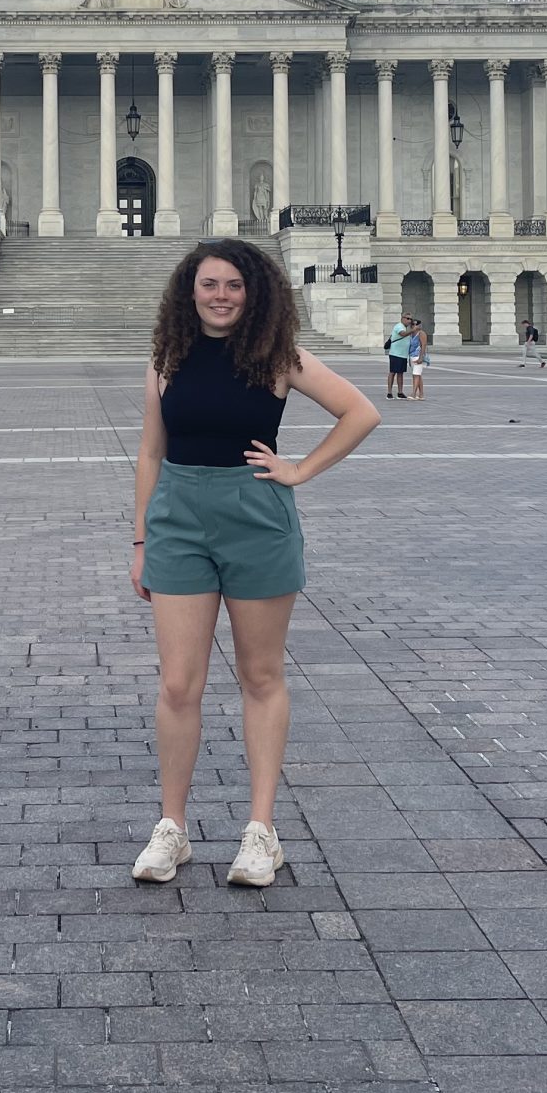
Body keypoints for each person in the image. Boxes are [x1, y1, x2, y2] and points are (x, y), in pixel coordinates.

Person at [130, 238, 380, 888]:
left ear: (253, 292)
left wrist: (299, 468)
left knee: (261, 676)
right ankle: (172, 828)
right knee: (178, 684)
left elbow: (362, 411)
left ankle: (260, 831)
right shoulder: (165, 358)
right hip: (178, 516)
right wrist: (139, 542)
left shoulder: (279, 355)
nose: (221, 296)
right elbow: (151, 454)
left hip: (256, 517)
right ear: (190, 291)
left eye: (233, 286)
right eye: (210, 284)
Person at [384, 316, 413, 400]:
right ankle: (389, 392)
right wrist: (413, 330)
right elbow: (403, 334)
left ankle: (400, 392)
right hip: (395, 354)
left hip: (403, 355)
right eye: (407, 318)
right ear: (402, 318)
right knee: (392, 372)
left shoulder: (406, 328)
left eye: (410, 319)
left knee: (400, 373)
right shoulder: (399, 326)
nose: (409, 320)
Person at [409, 319, 429, 403]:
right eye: (413, 324)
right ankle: (421, 394)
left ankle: (413, 394)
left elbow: (423, 345)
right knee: (418, 375)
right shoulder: (411, 334)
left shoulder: (421, 333)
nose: (414, 326)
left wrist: (421, 357)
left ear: (420, 325)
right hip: (412, 356)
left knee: (416, 375)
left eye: (416, 324)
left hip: (418, 356)